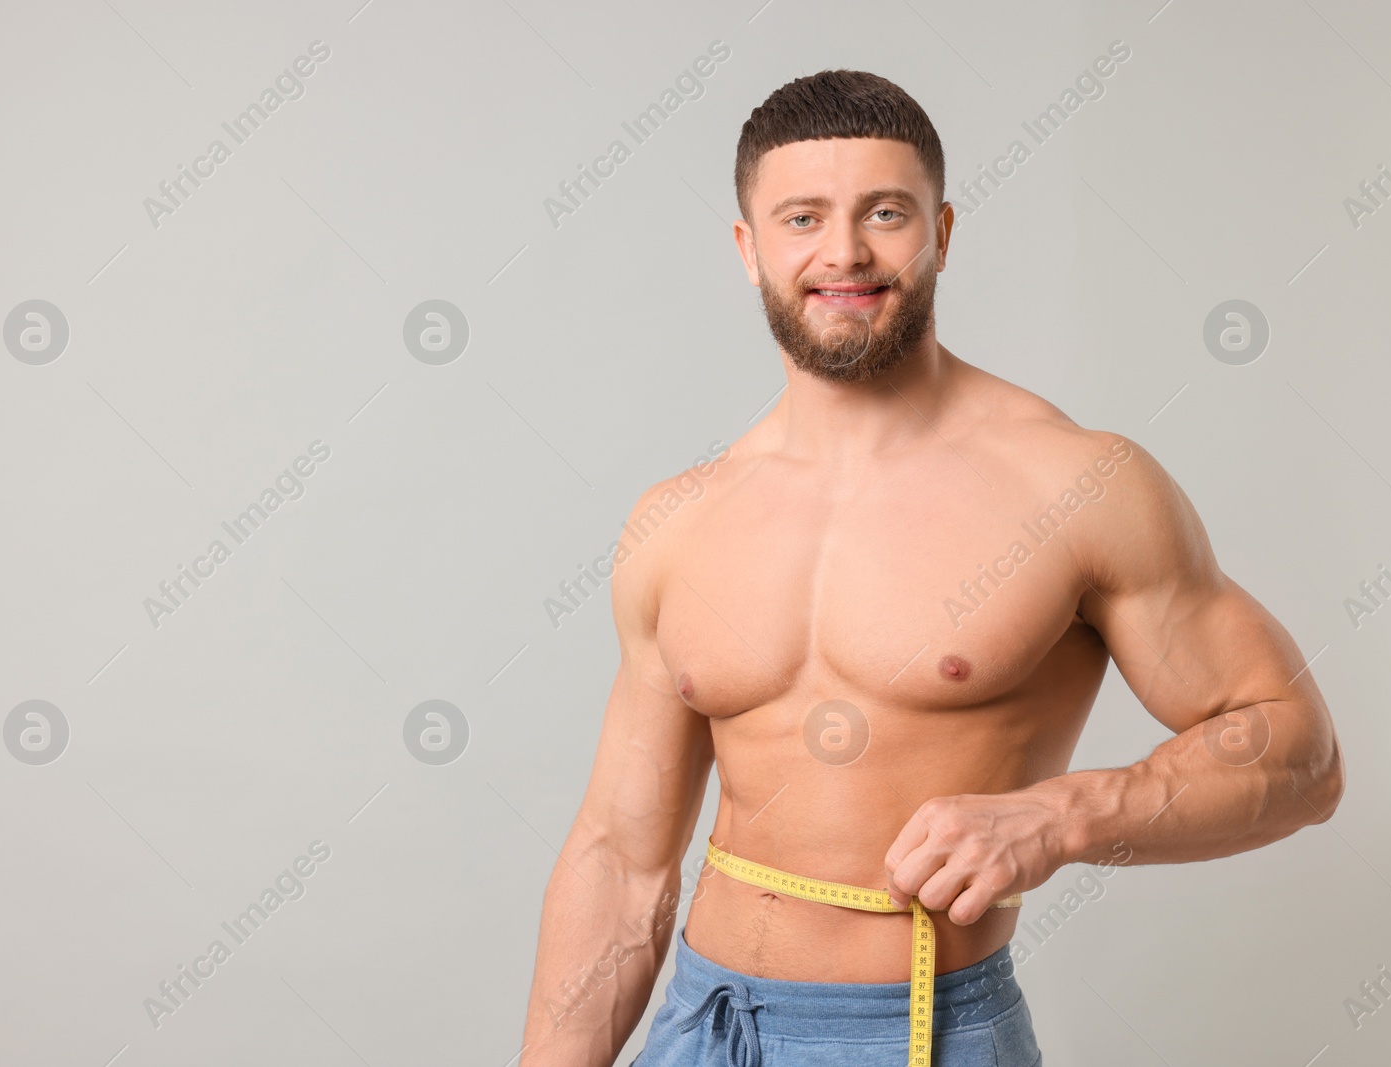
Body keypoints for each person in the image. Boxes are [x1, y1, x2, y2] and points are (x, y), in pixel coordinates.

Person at [517, 69, 1344, 1067]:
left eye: (885, 212)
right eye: (800, 218)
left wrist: (1059, 813)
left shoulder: (1077, 485)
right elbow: (619, 857)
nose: (844, 252)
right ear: (748, 249)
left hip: (917, 1030)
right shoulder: (676, 522)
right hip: (702, 1027)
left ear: (941, 232)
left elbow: (1298, 752)